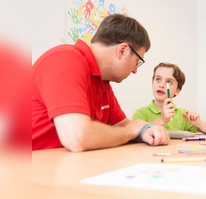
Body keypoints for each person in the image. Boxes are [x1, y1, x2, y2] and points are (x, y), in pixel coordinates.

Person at [32, 14, 170, 152]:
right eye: (137, 62)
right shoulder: (65, 60)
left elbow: (123, 125)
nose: (135, 70)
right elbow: (77, 137)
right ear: (123, 50)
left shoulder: (103, 83)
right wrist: (131, 132)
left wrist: (144, 131)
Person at [132, 62, 206, 134]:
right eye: (158, 79)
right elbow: (135, 134)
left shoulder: (182, 114)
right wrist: (162, 120)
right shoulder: (141, 113)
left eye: (169, 82)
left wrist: (199, 123)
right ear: (152, 83)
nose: (161, 85)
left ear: (177, 91)